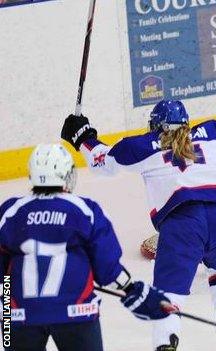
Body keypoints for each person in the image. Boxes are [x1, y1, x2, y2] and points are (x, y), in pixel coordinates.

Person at [60, 72, 216, 350]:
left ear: (156, 125)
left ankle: (166, 345)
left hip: (185, 222)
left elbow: (102, 160)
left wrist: (83, 135)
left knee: (167, 296)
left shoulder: (142, 146)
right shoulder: (215, 133)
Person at [0, 144, 171, 351]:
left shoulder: (10, 212)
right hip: (77, 312)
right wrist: (130, 289)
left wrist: (8, 302)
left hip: (16, 317)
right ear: (67, 174)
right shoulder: (84, 210)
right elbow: (107, 269)